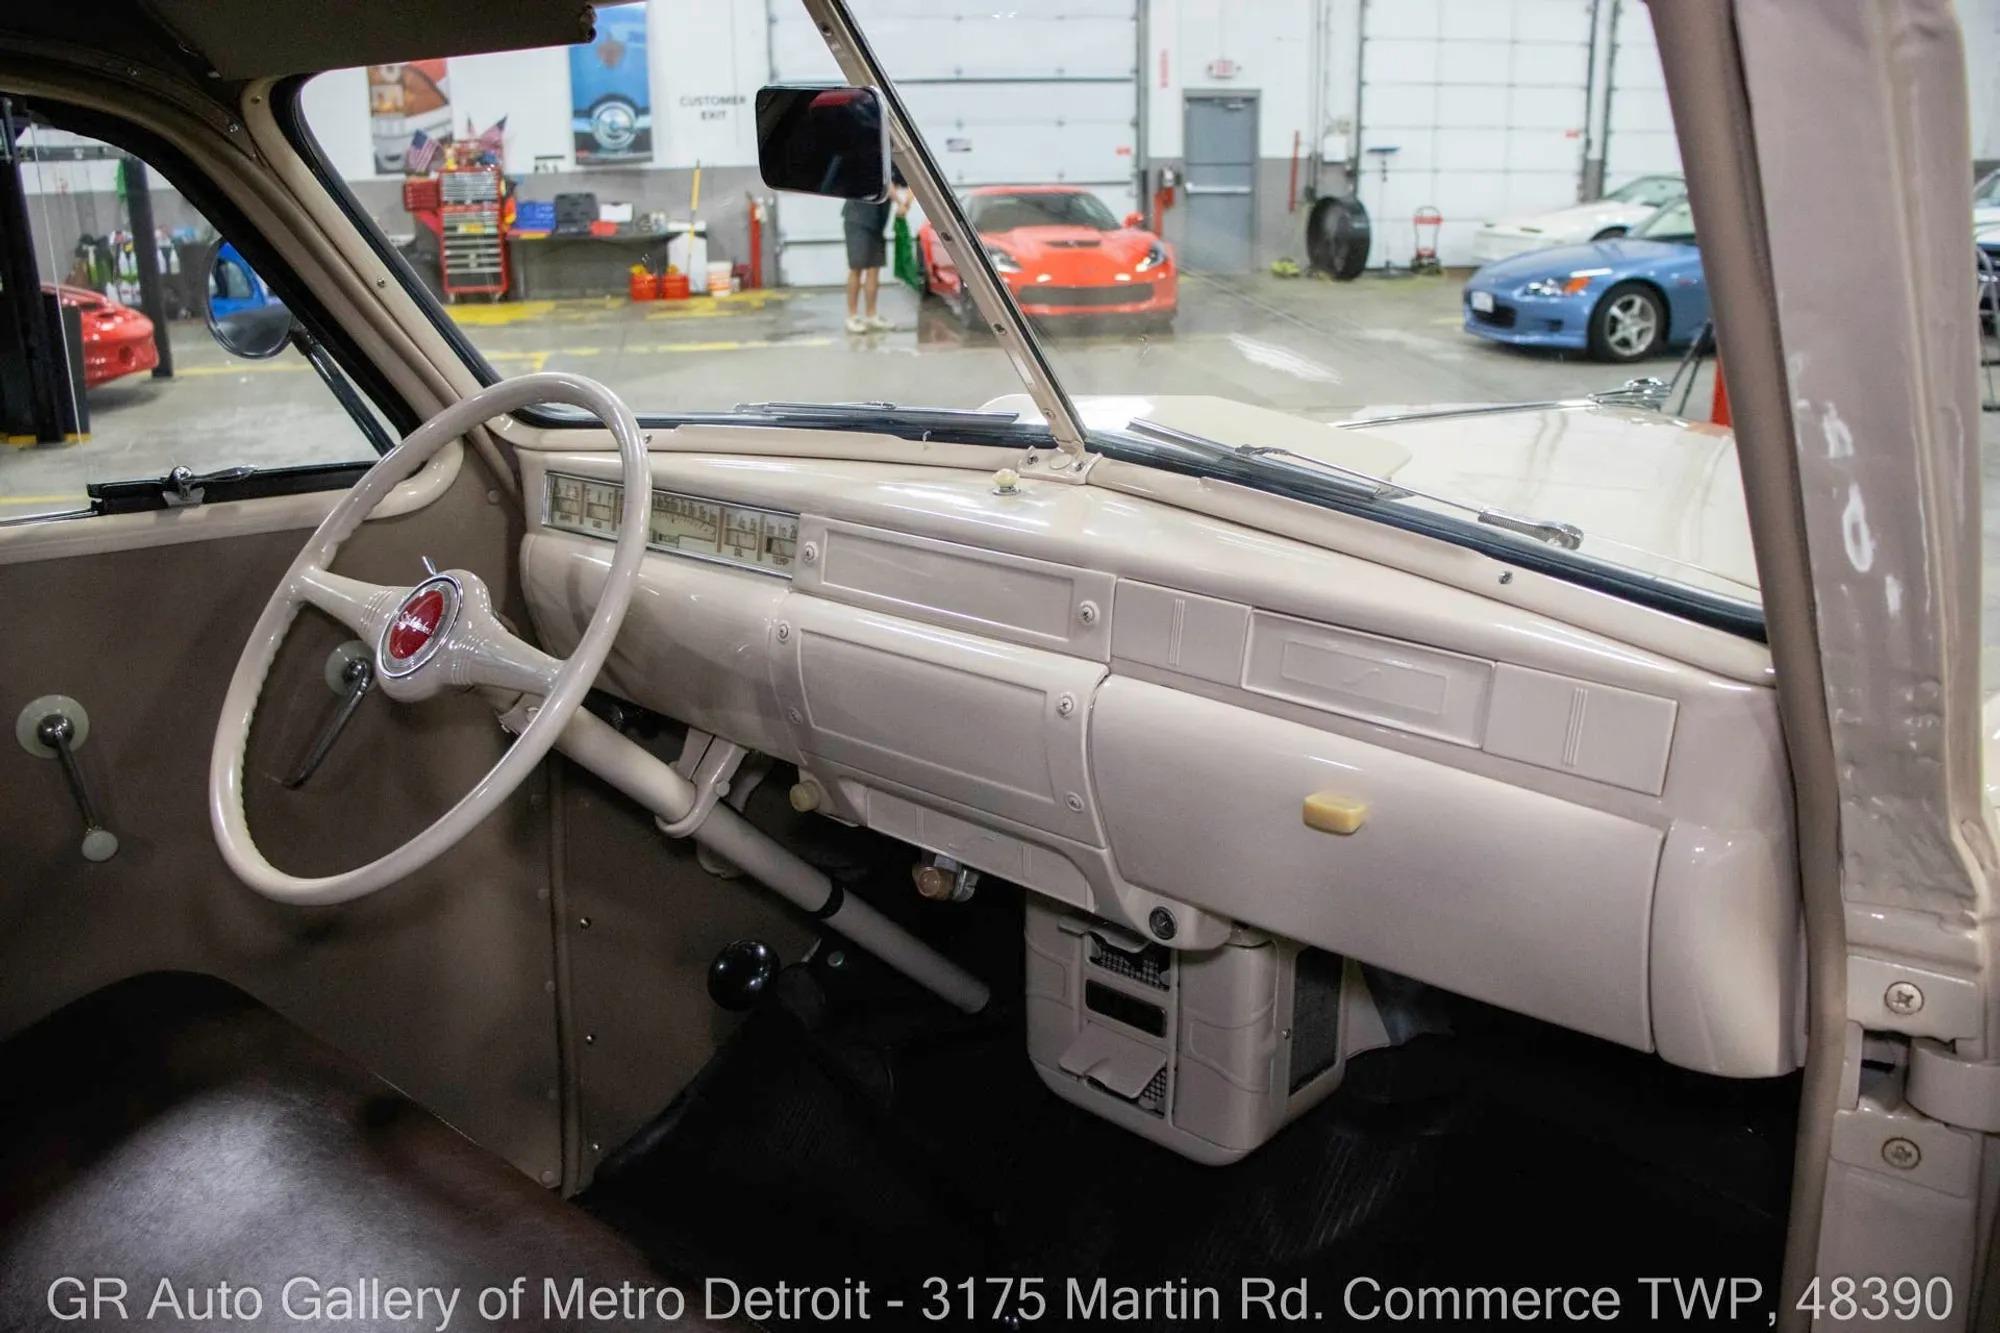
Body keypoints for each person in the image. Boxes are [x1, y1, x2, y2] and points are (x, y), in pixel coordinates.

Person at [842, 169, 909, 334]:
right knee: (857, 267)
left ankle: (871, 315)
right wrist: (900, 203)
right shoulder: (869, 158)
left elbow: (914, 184)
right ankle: (852, 316)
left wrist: (907, 203)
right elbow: (888, 186)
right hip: (858, 219)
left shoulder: (893, 162)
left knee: (874, 268)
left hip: (878, 223)